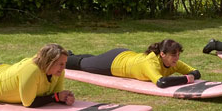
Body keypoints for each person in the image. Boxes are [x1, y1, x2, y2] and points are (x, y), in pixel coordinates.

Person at [66, 39, 201, 88]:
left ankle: (72, 55)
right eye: (173, 55)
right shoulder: (151, 63)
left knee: (93, 60)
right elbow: (161, 83)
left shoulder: (173, 62)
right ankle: (65, 57)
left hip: (125, 55)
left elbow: (196, 73)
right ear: (162, 54)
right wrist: (186, 79)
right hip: (114, 63)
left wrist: (189, 76)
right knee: (84, 64)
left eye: (178, 54)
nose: (177, 58)